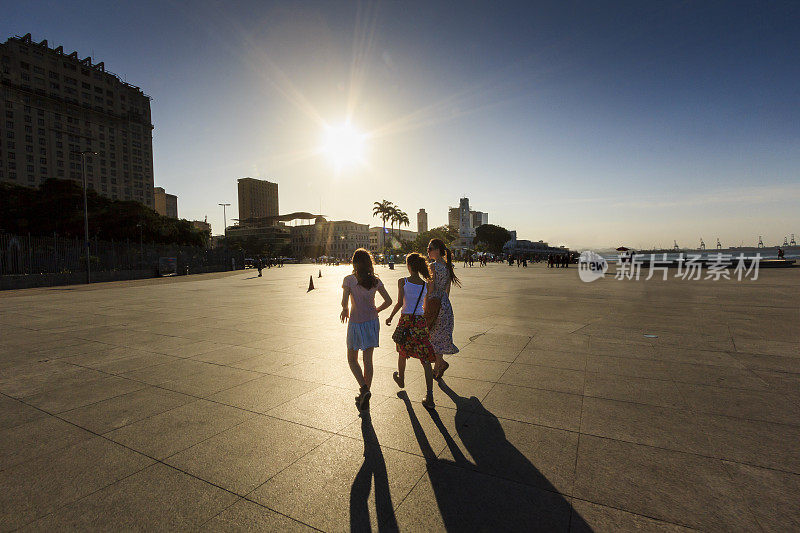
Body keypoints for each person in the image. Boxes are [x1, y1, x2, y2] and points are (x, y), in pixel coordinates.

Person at [341, 248, 392, 410]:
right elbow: (389, 301)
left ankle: (363, 389)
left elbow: (344, 302)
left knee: (352, 359)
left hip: (356, 323)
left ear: (354, 262)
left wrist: (345, 309)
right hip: (372, 322)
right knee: (368, 361)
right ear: (369, 263)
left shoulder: (349, 279)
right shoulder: (376, 281)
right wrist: (377, 310)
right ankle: (366, 393)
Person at [386, 253, 437, 408]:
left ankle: (401, 378)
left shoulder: (402, 281)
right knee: (425, 360)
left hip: (406, 321)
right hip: (420, 322)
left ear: (408, 266)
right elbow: (425, 307)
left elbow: (400, 303)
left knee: (402, 352)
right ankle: (430, 396)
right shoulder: (425, 285)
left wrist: (390, 317)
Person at [426, 238, 461, 381]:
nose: (427, 251)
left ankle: (441, 364)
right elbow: (447, 290)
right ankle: (438, 368)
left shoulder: (433, 266)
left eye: (430, 249)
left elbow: (431, 288)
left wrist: (426, 303)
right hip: (445, 305)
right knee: (438, 338)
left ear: (437, 251)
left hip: (434, 304)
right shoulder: (448, 266)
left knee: (433, 336)